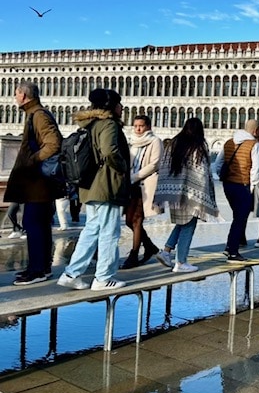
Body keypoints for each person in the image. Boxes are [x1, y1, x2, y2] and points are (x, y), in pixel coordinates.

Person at [57, 88, 130, 291]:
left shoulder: (90, 124)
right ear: (111, 106)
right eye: (118, 104)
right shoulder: (108, 124)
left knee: (91, 230)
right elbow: (109, 151)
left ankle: (72, 273)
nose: (121, 107)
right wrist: (123, 167)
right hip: (107, 185)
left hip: (90, 185)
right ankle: (104, 277)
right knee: (109, 232)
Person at [5, 80, 62, 285]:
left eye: (16, 94)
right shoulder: (34, 114)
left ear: (23, 95)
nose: (14, 97)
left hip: (39, 181)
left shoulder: (38, 115)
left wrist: (33, 160)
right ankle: (41, 267)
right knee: (39, 223)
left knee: (33, 223)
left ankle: (38, 269)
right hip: (37, 181)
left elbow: (54, 143)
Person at [154, 118, 219, 272]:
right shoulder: (198, 146)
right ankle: (181, 262)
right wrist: (204, 193)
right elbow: (201, 171)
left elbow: (164, 166)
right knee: (189, 225)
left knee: (183, 222)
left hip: (175, 192)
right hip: (191, 192)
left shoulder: (174, 144)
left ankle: (166, 251)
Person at [212, 119, 259, 261]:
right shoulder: (254, 145)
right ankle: (232, 250)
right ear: (255, 131)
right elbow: (256, 169)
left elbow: (218, 163)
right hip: (243, 184)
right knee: (240, 218)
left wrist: (223, 176)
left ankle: (230, 247)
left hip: (228, 184)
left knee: (237, 217)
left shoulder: (229, 142)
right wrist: (252, 186)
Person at [121, 115, 163, 269]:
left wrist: (134, 177)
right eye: (136, 126)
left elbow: (154, 164)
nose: (138, 129)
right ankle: (150, 246)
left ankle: (133, 254)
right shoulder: (132, 141)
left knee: (137, 219)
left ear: (148, 127)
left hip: (145, 185)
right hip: (131, 184)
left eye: (141, 126)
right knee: (128, 220)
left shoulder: (155, 141)